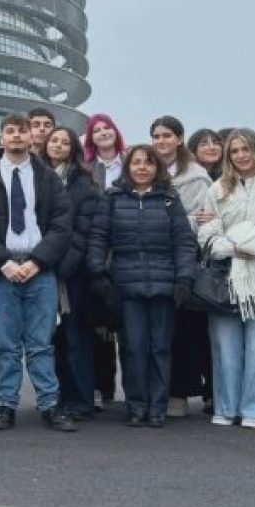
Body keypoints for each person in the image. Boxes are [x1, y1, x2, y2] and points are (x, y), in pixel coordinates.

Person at [0, 114, 76, 432]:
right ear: (1, 139)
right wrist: (4, 262)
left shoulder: (47, 177)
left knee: (41, 342)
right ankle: (6, 405)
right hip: (0, 271)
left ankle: (50, 405)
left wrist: (38, 261)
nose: (15, 136)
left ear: (31, 138)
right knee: (6, 342)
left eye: (21, 131)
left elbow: (61, 223)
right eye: (9, 132)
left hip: (40, 268)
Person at [87, 145, 196, 427]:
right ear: (128, 167)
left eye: (148, 163)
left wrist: (185, 278)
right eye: (136, 162)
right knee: (133, 348)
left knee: (160, 348)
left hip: (164, 285)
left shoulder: (170, 200)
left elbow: (184, 242)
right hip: (126, 285)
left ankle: (157, 407)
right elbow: (99, 238)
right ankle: (136, 406)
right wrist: (98, 273)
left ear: (157, 168)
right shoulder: (112, 198)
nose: (142, 168)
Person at [197, 130, 255, 429]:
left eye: (245, 149)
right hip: (227, 274)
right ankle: (226, 406)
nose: (240, 156)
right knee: (224, 344)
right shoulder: (218, 188)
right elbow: (207, 232)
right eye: (234, 151)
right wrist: (233, 247)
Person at [151, 116, 215, 418]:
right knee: (157, 330)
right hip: (150, 260)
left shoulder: (197, 176)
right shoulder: (146, 168)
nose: (161, 141)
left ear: (179, 139)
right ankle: (159, 392)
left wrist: (161, 223)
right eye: (156, 136)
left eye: (167, 136)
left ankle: (180, 392)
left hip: (183, 257)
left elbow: (202, 218)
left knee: (185, 330)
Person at [41, 126, 101, 421]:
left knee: (76, 337)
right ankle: (54, 398)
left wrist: (61, 265)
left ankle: (80, 399)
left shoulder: (85, 185)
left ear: (73, 149)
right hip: (40, 269)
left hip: (73, 274)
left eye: (65, 142)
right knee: (50, 340)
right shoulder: (34, 178)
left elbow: (83, 231)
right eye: (54, 140)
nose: (58, 145)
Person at [83, 112, 127, 407]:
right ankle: (100, 388)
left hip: (126, 249)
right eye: (96, 130)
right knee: (97, 326)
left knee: (127, 323)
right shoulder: (86, 168)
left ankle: (133, 389)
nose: (102, 133)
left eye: (106, 128)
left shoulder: (132, 161)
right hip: (96, 248)